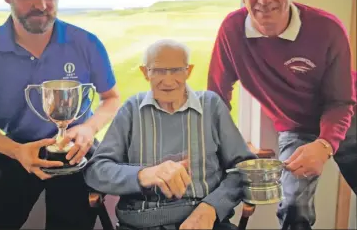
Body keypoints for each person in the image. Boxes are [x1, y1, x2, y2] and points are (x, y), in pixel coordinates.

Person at [0, 0, 120, 230]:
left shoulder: (86, 43)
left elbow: (111, 98)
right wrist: (16, 151)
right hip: (14, 151)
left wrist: (89, 129)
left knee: (75, 216)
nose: (41, 5)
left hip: (75, 151)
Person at [207, 0, 357, 229]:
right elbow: (217, 97)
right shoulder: (231, 30)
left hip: (348, 117)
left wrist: (325, 145)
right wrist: (227, 144)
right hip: (295, 127)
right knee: (292, 206)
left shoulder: (328, 28)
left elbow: (340, 101)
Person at [84, 39, 257, 230]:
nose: (167, 81)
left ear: (188, 71)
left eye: (176, 70)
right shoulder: (132, 109)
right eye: (158, 71)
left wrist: (212, 207)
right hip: (140, 223)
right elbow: (96, 171)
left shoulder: (211, 106)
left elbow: (246, 169)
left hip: (205, 221)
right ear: (145, 72)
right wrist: (143, 175)